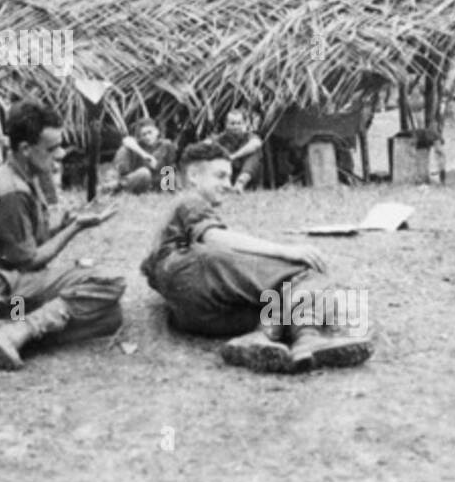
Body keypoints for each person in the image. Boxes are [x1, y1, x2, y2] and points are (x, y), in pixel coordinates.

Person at [141, 141, 373, 373]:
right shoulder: (189, 200)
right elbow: (214, 237)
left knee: (278, 302)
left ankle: (260, 337)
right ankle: (308, 337)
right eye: (220, 176)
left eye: (229, 177)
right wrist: (286, 250)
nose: (228, 185)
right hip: (194, 272)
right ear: (193, 176)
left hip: (194, 315)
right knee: (303, 273)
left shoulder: (174, 214)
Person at [0, 99, 124, 371]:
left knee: (110, 317)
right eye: (52, 148)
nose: (60, 154)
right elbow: (29, 260)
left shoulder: (23, 176)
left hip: (12, 293)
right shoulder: (11, 189)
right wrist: (76, 228)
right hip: (2, 294)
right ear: (25, 148)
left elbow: (23, 241)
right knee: (108, 282)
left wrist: (62, 224)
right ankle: (14, 329)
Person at [112, 119, 178, 194]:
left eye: (150, 132)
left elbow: (170, 167)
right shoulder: (138, 145)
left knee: (162, 171)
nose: (147, 136)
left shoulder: (166, 144)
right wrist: (144, 155)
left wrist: (170, 188)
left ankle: (117, 186)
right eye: (144, 134)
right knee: (144, 172)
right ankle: (119, 187)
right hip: (139, 180)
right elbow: (126, 140)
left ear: (157, 131)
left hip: (156, 181)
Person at [211, 106, 264, 193]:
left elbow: (256, 143)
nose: (236, 127)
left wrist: (234, 156)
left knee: (255, 152)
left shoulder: (248, 136)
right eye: (232, 123)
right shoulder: (220, 139)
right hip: (228, 176)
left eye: (239, 123)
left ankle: (240, 183)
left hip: (247, 176)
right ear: (226, 124)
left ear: (244, 124)